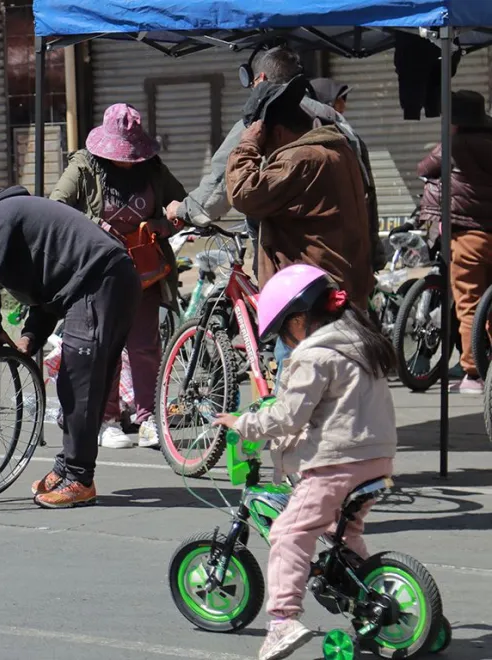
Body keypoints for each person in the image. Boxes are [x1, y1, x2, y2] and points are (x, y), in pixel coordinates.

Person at [212, 264, 397, 660]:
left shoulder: (313, 355)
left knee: (289, 533)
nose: (285, 340)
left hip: (335, 462)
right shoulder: (363, 342)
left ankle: (282, 621)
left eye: (282, 330)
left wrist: (244, 424)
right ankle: (380, 601)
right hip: (378, 460)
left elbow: (287, 416)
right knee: (341, 534)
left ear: (299, 320)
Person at [0, 186, 140, 508]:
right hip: (105, 281)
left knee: (78, 381)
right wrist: (30, 337)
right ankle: (68, 467)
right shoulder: (9, 219)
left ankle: (79, 479)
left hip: (100, 281)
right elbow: (47, 296)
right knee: (83, 381)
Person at [164, 46, 383, 276]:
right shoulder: (336, 122)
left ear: (260, 79)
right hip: (352, 261)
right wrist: (374, 253)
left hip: (295, 269)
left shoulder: (263, 120)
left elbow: (223, 189)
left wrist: (184, 210)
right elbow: (366, 187)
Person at [51, 103, 185, 450]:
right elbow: (57, 207)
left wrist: (160, 225)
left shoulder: (153, 169)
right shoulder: (84, 165)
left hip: (144, 273)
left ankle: (148, 419)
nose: (126, 160)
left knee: (144, 348)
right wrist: (96, 226)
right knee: (105, 347)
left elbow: (182, 206)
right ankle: (107, 420)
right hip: (100, 271)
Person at [225, 77, 374, 383]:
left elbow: (243, 192)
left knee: (298, 400)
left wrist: (247, 144)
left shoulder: (300, 159)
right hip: (342, 287)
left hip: (308, 303)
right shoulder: (338, 150)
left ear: (277, 132)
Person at [417, 90, 492, 394]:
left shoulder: (453, 145)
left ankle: (474, 373)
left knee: (470, 304)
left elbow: (424, 168)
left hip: (468, 236)